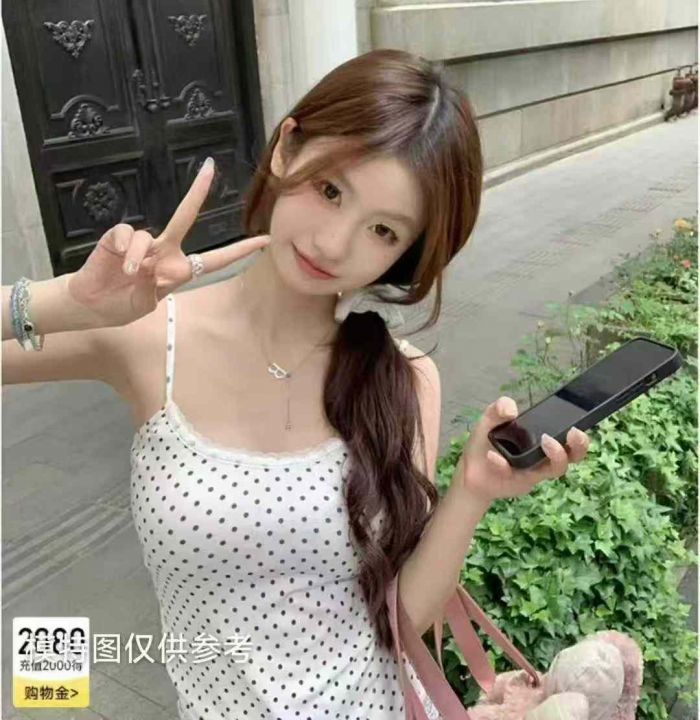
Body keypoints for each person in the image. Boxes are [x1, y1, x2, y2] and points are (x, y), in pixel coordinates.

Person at [2, 49, 591, 720]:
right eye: (331, 190)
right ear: (287, 148)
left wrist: (473, 491)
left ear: (405, 252)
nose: (334, 244)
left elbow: (402, 620)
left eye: (382, 230)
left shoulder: (402, 379)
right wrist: (64, 304)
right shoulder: (147, 340)